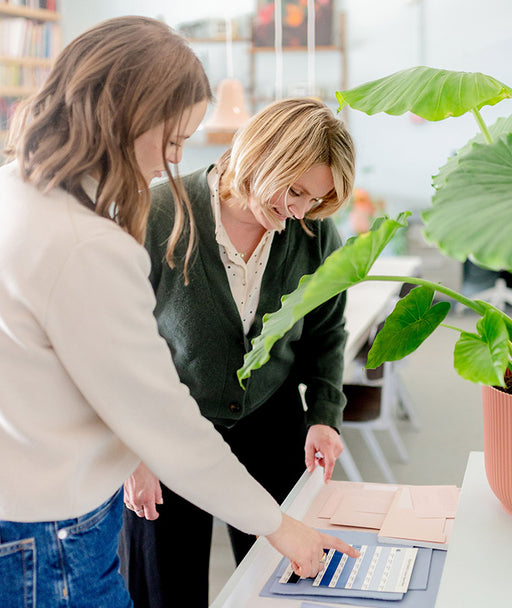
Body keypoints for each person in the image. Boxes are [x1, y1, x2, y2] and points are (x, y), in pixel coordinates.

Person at [0, 17, 357, 608]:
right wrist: (283, 527)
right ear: (130, 118)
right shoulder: (112, 231)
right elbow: (158, 413)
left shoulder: (17, 190)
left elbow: (326, 330)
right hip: (59, 523)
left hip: (47, 506)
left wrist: (322, 411)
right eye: (174, 140)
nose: (171, 160)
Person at [119, 97, 356, 607]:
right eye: (293, 190)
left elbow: (326, 333)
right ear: (261, 154)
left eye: (315, 200)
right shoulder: (157, 215)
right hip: (167, 429)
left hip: (270, 419)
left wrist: (324, 416)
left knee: (283, 579)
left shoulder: (312, 234)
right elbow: (112, 347)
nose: (298, 211)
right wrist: (131, 452)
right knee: (164, 587)